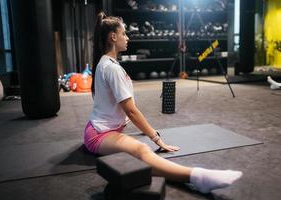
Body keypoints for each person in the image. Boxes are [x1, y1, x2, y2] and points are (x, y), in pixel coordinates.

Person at [84, 12, 242, 194]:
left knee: (139, 148)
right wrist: (156, 138)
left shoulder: (105, 63)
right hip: (99, 134)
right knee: (141, 150)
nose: (127, 38)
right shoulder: (111, 68)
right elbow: (131, 111)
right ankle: (198, 177)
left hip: (98, 127)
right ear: (113, 37)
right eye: (124, 34)